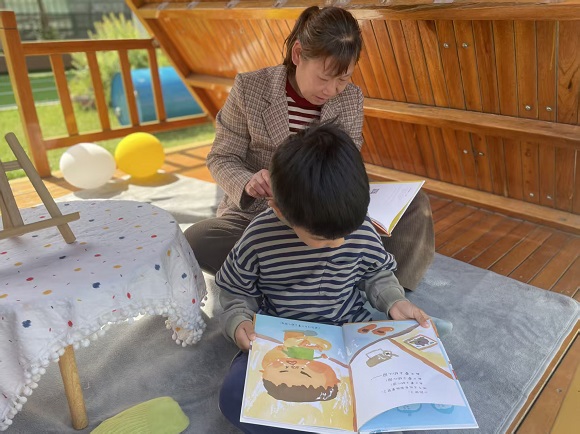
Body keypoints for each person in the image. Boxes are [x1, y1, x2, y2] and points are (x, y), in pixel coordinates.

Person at [184, 5, 434, 291]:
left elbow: (347, 163)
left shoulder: (350, 99)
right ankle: (334, 275)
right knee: (198, 239)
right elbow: (222, 157)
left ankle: (390, 293)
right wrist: (249, 181)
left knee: (416, 206)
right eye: (324, 78)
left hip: (327, 220)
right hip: (264, 218)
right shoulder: (250, 88)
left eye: (343, 79)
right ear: (298, 54)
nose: (331, 90)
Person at [217, 122, 433, 434]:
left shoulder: (360, 227)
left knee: (392, 386)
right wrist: (238, 321)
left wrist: (394, 301)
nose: (339, 243)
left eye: (345, 233)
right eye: (322, 239)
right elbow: (235, 291)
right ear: (279, 209)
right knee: (235, 396)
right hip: (283, 339)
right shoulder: (258, 238)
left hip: (350, 331)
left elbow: (376, 273)